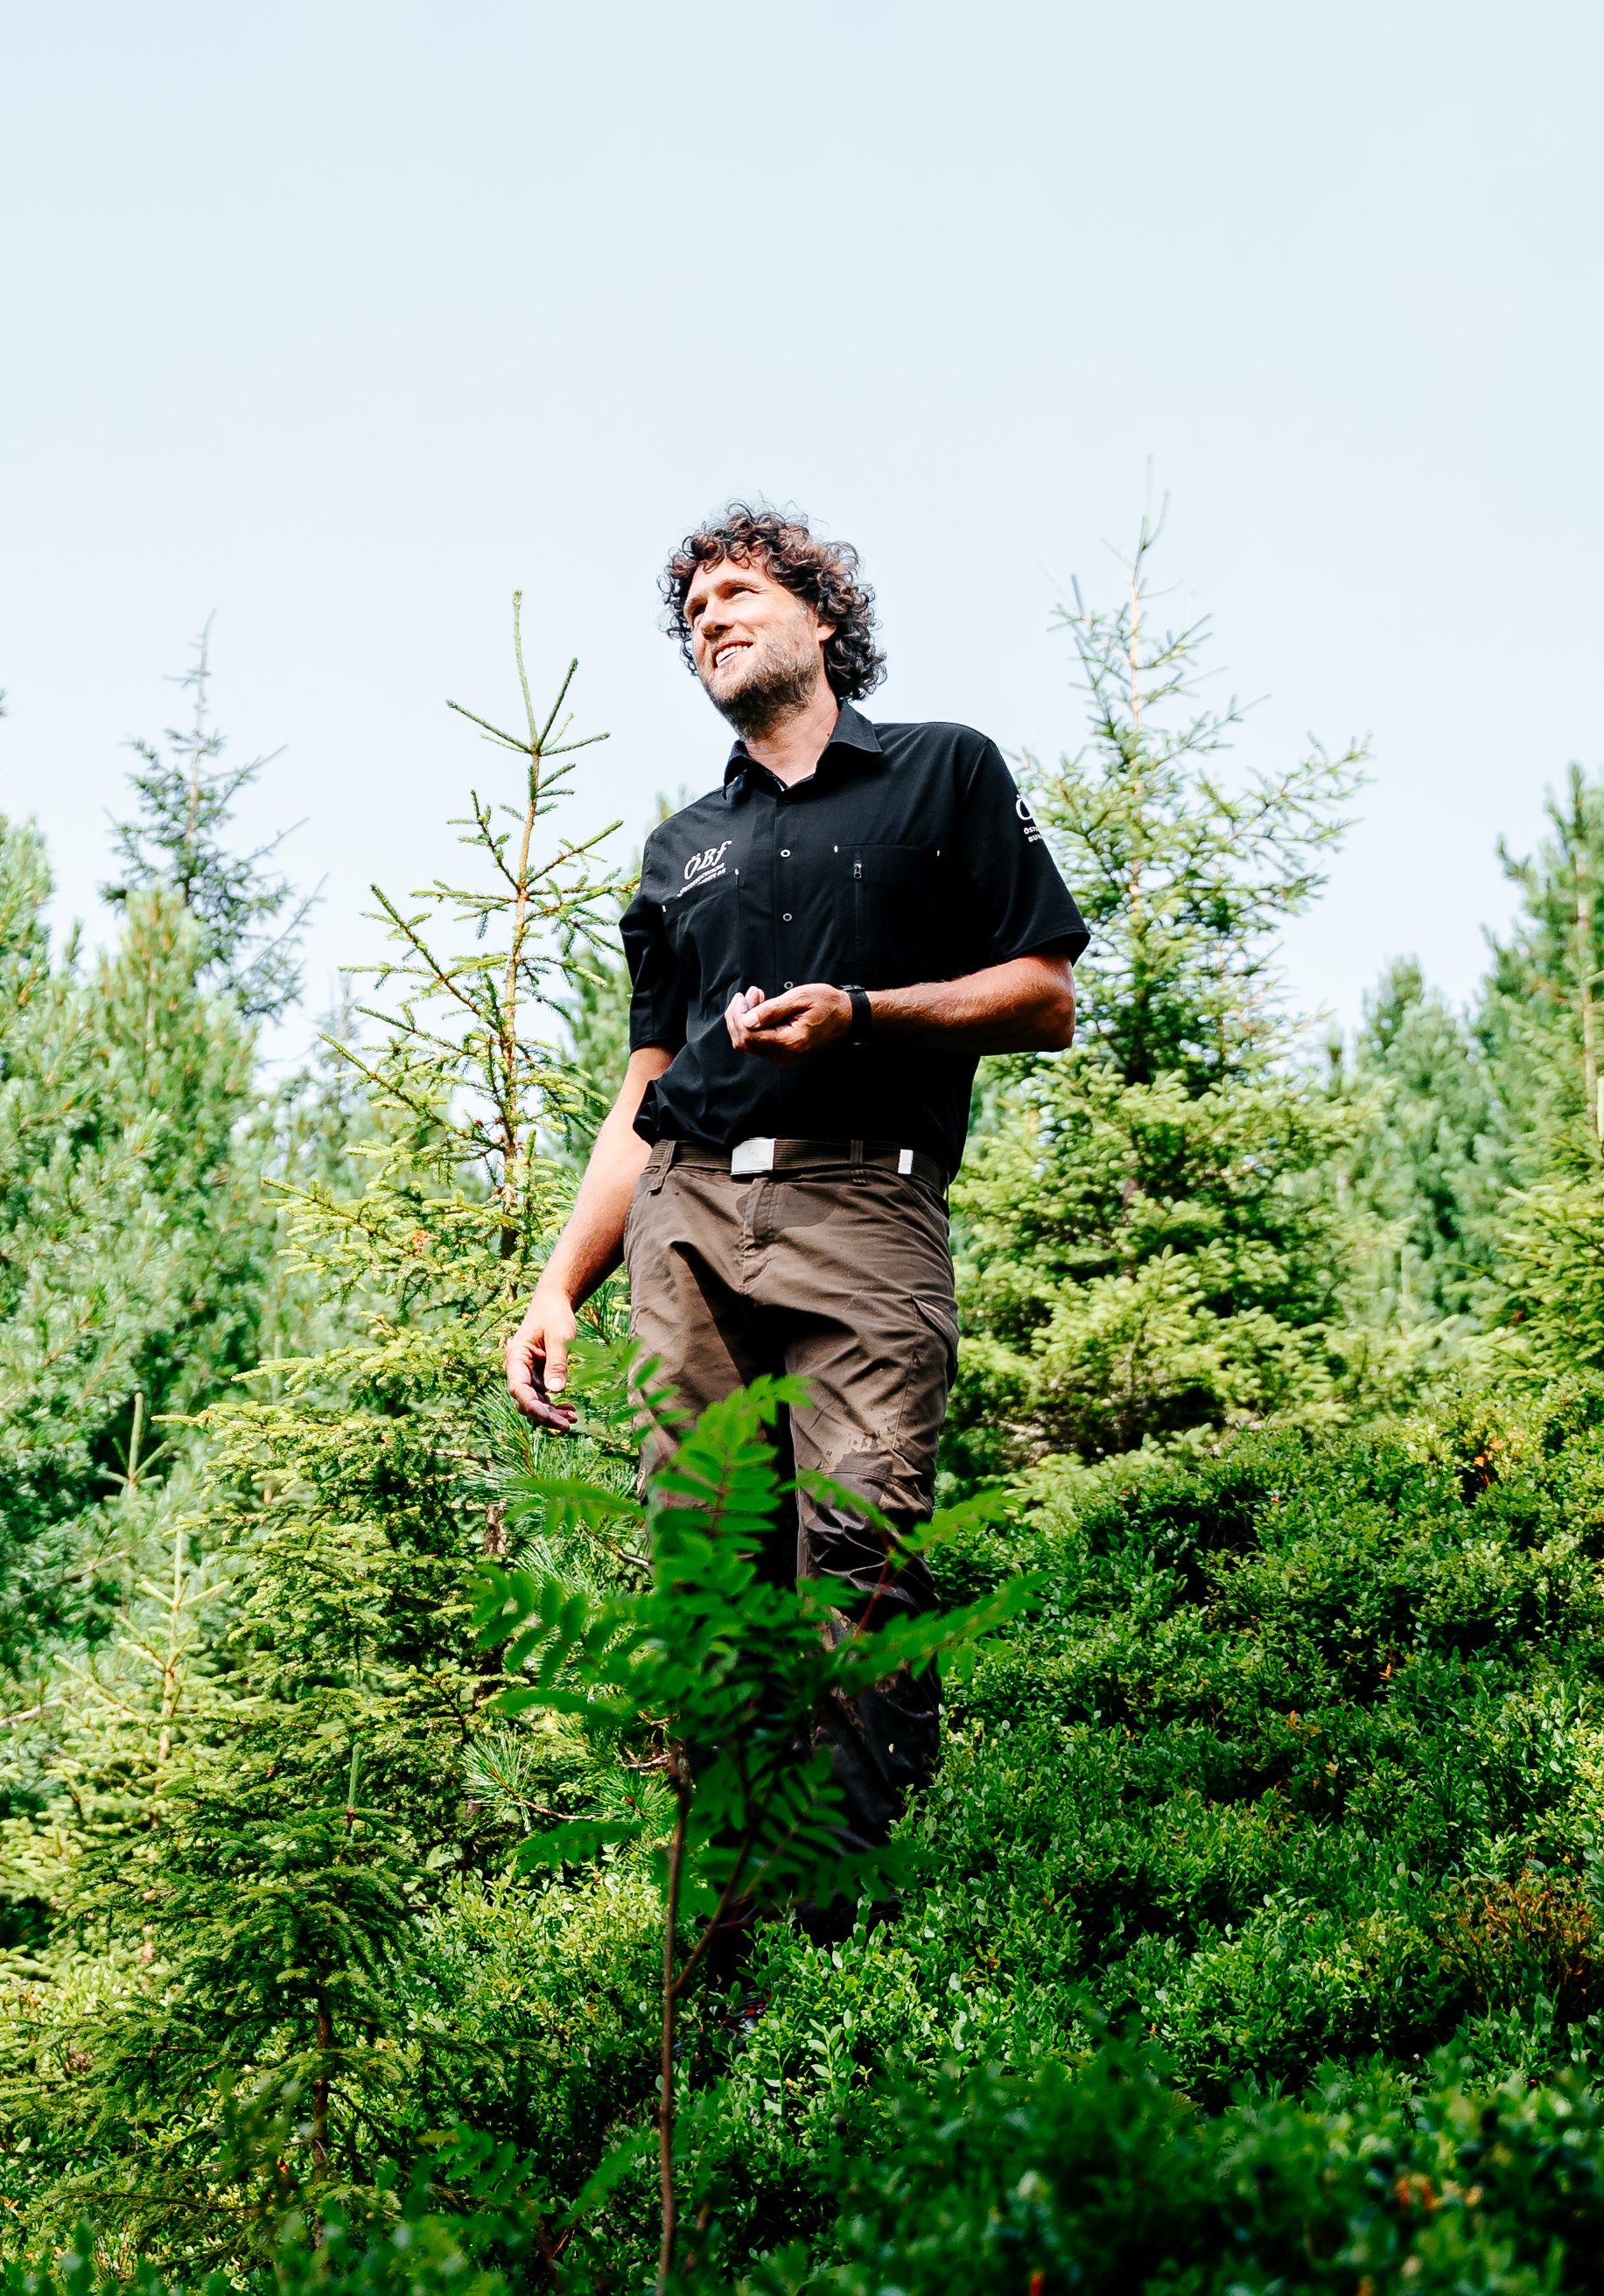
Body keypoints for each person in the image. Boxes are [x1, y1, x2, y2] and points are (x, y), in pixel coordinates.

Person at [501, 503, 1087, 1893]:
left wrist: (864, 1014)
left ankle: (852, 1917)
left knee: (860, 1543)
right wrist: (558, 1286)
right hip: (687, 1221)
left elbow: (1046, 996)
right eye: (693, 610)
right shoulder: (680, 851)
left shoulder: (942, 772)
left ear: (823, 618)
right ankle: (729, 1929)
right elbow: (645, 1090)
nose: (711, 617)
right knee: (711, 1576)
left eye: (740, 592)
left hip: (864, 1207)